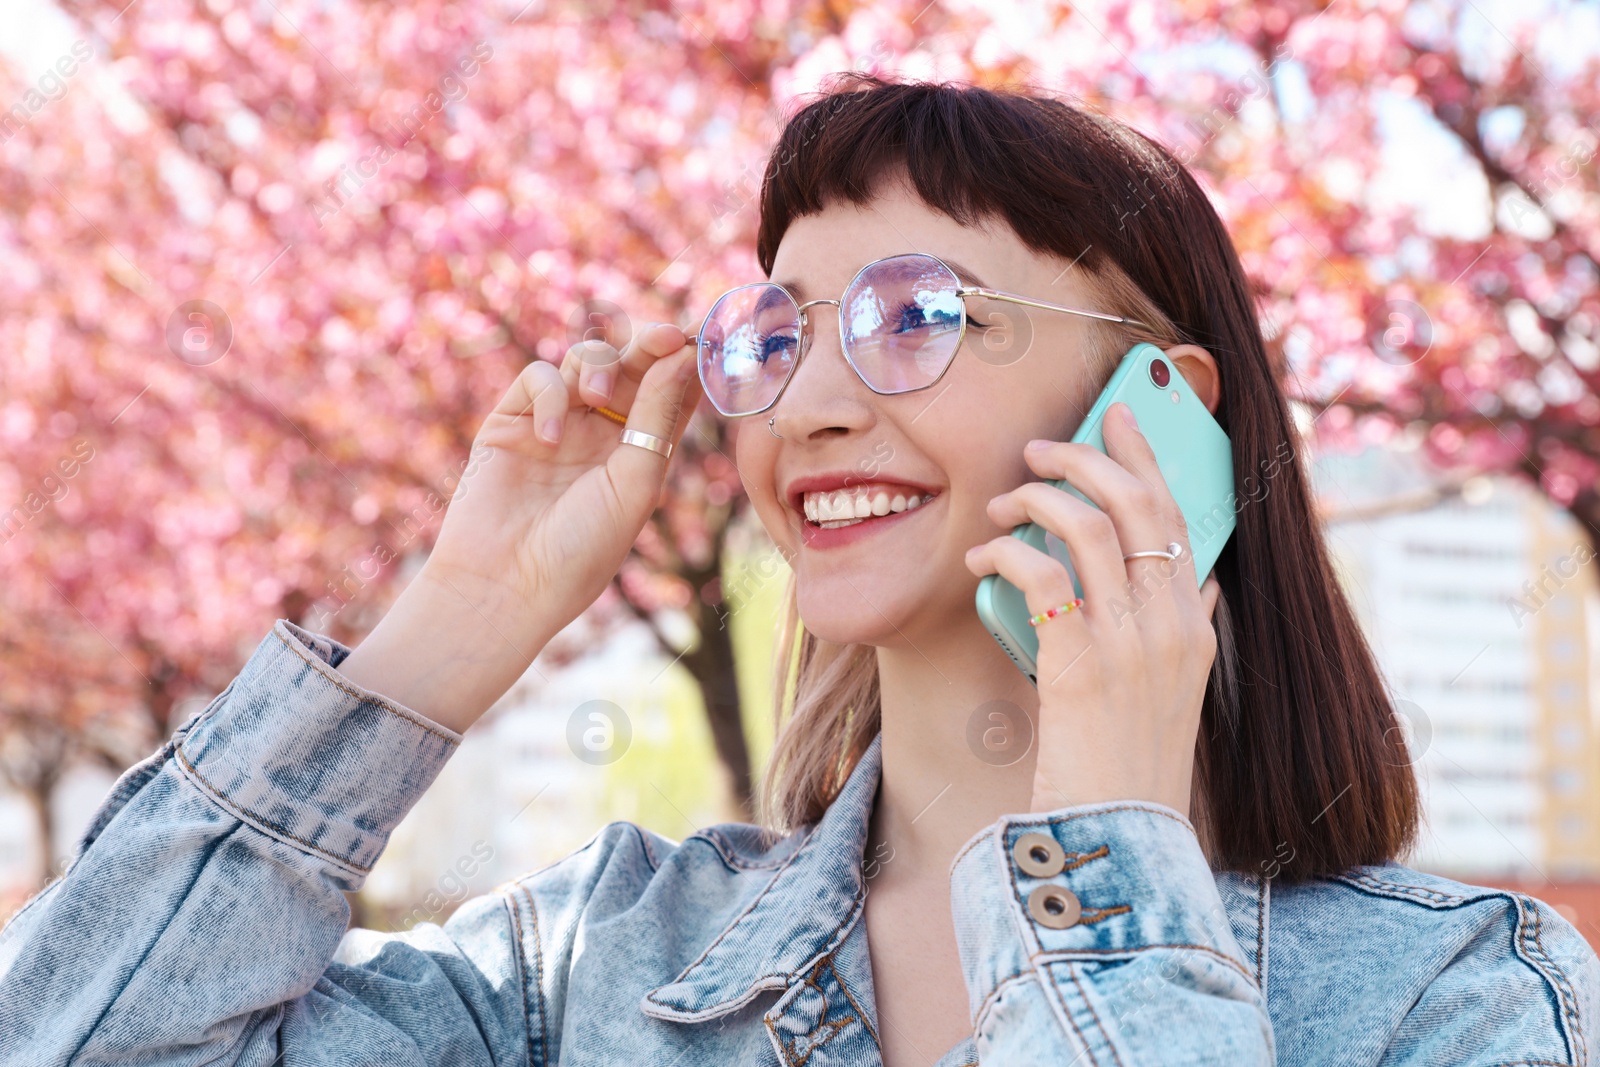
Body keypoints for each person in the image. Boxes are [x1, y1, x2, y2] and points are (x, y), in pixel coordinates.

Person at [1, 74, 1594, 1067]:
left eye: (915, 315)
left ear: (1159, 404)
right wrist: (440, 644)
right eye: (779, 332)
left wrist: (1104, 864)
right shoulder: (597, 965)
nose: (813, 404)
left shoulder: (1451, 1003)